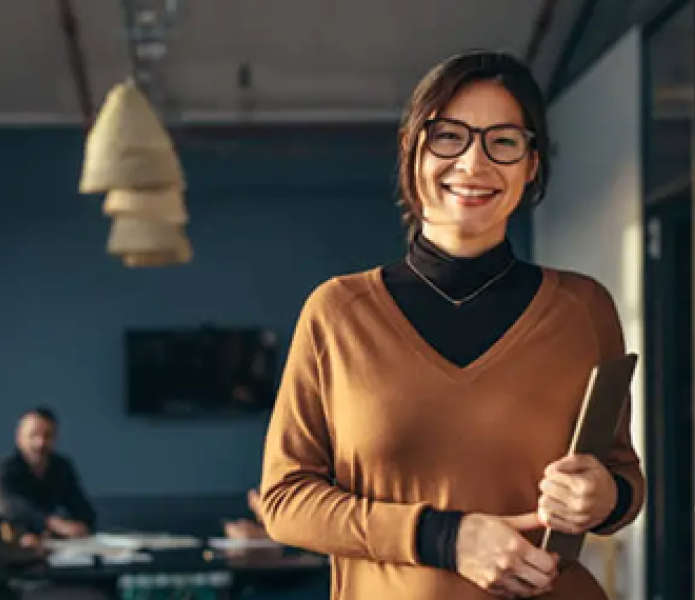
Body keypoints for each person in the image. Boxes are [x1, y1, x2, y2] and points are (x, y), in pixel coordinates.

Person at [259, 50, 644, 600]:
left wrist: (606, 497)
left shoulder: (583, 307)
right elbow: (285, 502)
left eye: (504, 141)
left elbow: (622, 477)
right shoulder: (337, 312)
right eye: (449, 136)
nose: (473, 163)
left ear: (531, 165)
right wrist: (444, 537)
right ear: (413, 152)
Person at [0, 407, 96, 542]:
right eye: (33, 435)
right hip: (0, 544)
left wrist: (82, 526)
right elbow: (4, 504)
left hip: (45, 544)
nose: (40, 443)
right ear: (19, 438)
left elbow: (81, 507)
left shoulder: (60, 468)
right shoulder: (1, 469)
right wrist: (51, 523)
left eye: (47, 436)